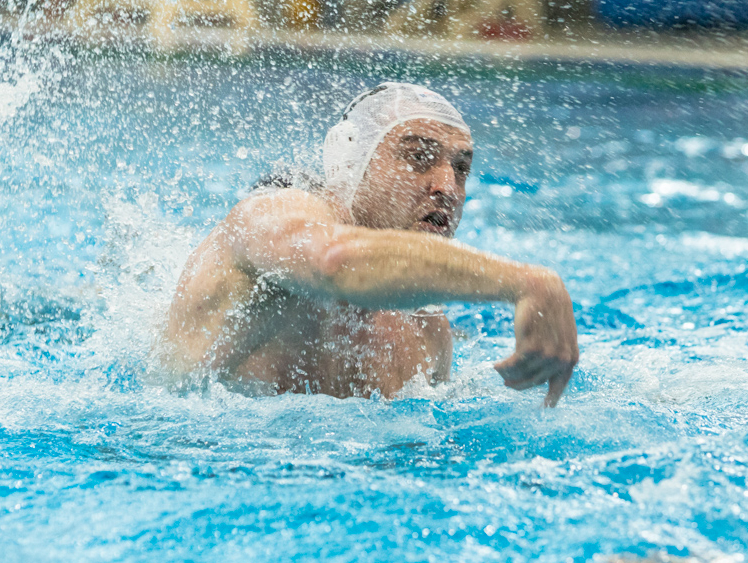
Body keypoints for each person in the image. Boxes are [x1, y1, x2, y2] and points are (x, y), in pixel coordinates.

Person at [154, 82, 580, 404]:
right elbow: (334, 260)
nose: (447, 187)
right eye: (418, 157)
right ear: (350, 163)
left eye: (461, 168)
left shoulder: (426, 329)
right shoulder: (270, 215)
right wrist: (524, 282)